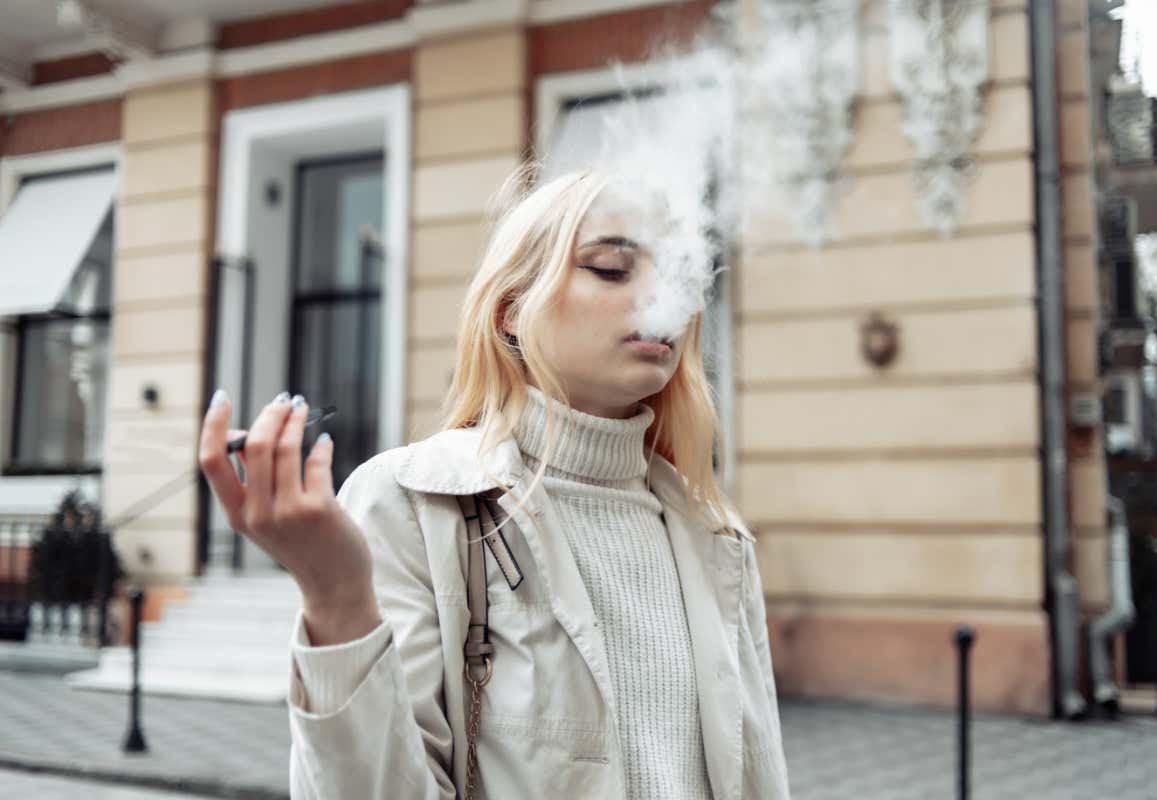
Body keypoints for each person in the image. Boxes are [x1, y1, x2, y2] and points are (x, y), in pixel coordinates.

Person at [198, 165, 789, 799]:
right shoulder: (414, 503)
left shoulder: (718, 540)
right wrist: (337, 596)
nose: (656, 296)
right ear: (511, 313)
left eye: (673, 272)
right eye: (612, 270)